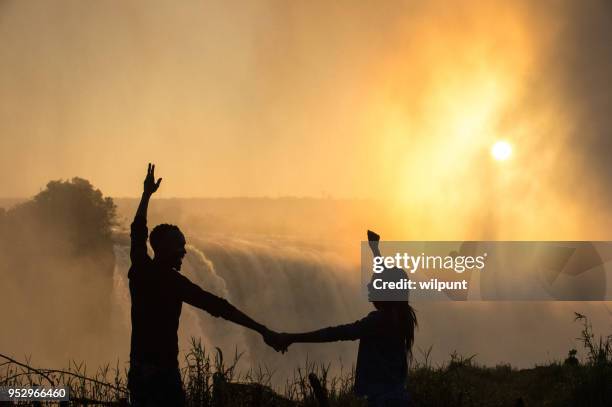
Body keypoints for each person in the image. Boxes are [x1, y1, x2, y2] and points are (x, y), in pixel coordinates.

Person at [127, 163, 283, 407]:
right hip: (164, 374)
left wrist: (146, 195)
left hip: (138, 372)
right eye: (180, 248)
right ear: (165, 249)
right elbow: (219, 307)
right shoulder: (173, 283)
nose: (184, 252)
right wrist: (262, 329)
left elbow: (138, 231)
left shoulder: (139, 268)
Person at [276, 230, 417, 407]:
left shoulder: (376, 322)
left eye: (374, 282)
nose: (369, 284)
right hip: (400, 399)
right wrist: (375, 250)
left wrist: (292, 337)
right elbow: (389, 278)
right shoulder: (402, 317)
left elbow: (336, 333)